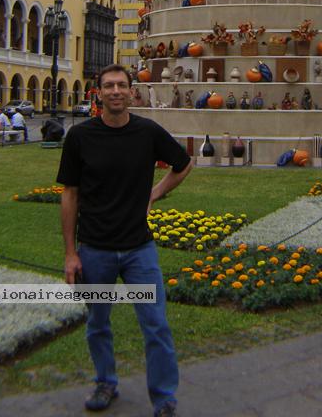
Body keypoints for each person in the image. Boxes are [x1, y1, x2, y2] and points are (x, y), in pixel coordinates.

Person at [57, 64, 193, 417]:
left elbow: (182, 162)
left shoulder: (147, 132)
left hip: (138, 250)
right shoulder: (80, 137)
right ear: (98, 93)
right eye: (108, 86)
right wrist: (71, 252)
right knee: (97, 323)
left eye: (121, 85)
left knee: (156, 325)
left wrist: (156, 193)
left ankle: (163, 398)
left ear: (132, 92)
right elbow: (69, 194)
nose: (115, 91)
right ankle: (105, 381)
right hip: (94, 249)